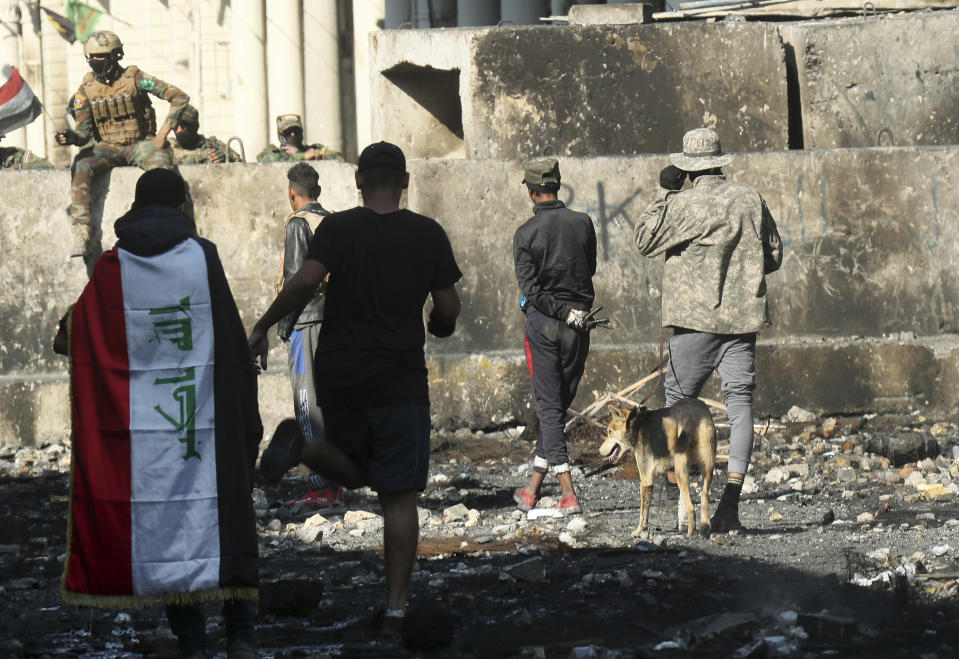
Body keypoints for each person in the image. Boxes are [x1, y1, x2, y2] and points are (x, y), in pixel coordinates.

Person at [248, 141, 461, 642]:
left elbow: (304, 281)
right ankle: (394, 612)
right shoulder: (427, 233)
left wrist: (261, 326)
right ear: (404, 182)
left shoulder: (337, 228)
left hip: (340, 375)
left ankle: (304, 447)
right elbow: (448, 307)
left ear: (359, 183)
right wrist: (438, 322)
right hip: (399, 380)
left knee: (357, 467)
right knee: (399, 495)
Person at [56, 169, 261, 659]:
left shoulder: (114, 263)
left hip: (148, 430)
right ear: (181, 205)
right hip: (204, 416)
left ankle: (192, 643)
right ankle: (241, 639)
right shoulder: (201, 254)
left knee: (168, 527)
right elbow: (228, 334)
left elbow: (72, 335)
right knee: (225, 512)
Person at [634, 127, 783, 533]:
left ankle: (681, 501)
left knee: (679, 405)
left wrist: (665, 193)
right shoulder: (750, 198)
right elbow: (774, 254)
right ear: (720, 161)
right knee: (740, 407)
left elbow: (643, 239)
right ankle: (730, 505)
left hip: (693, 325)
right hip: (741, 323)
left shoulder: (683, 203)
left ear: (687, 168)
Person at [511, 157, 597, 516]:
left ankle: (568, 492)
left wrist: (559, 311)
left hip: (544, 326)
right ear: (556, 187)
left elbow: (529, 291)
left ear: (532, 193)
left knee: (548, 407)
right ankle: (531, 488)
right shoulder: (583, 223)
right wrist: (572, 313)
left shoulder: (525, 234)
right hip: (579, 325)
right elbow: (589, 268)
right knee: (557, 406)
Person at [54, 30, 189, 258]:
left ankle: (181, 226)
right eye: (92, 57)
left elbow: (179, 97)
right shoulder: (85, 90)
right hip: (108, 147)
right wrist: (72, 137)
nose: (96, 62)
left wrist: (163, 133)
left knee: (165, 170)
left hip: (141, 144)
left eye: (101, 57)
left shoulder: (135, 78)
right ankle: (81, 232)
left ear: (115, 56)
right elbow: (84, 132)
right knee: (81, 163)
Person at [258, 162, 345, 509]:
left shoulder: (298, 223)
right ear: (318, 192)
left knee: (307, 402)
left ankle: (322, 483)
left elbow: (297, 280)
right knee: (331, 400)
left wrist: (279, 325)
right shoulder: (334, 221)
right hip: (336, 322)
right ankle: (337, 479)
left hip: (307, 321)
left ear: (292, 192)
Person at [256, 114, 343, 163]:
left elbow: (339, 159)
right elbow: (264, 160)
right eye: (289, 131)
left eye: (296, 130)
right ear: (280, 132)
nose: (293, 134)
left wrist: (316, 155)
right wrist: (302, 156)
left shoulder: (312, 150)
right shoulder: (273, 152)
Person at [172, 104, 241, 165]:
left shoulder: (214, 144)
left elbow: (241, 167)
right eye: (176, 125)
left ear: (194, 127)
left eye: (183, 125)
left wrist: (226, 159)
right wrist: (199, 157)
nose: (179, 129)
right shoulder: (168, 146)